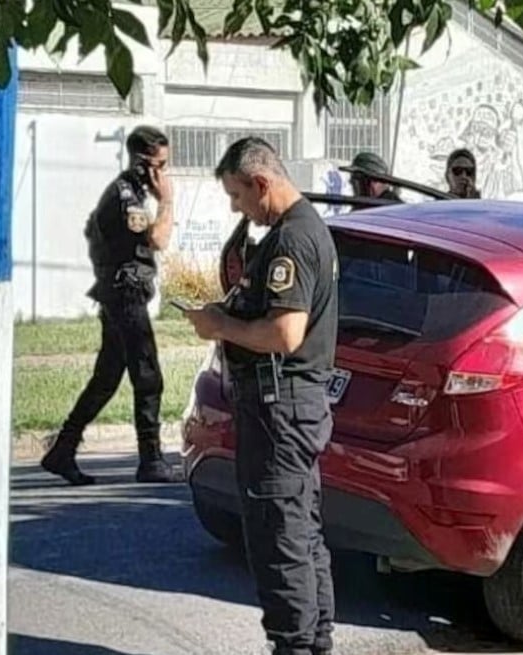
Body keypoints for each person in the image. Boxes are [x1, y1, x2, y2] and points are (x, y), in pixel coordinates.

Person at [183, 137, 337, 655]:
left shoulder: (292, 240)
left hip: (280, 409)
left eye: (237, 194)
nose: (236, 207)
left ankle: (295, 645)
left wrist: (219, 326)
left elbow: (284, 334)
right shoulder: (301, 231)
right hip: (291, 406)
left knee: (280, 536)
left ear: (262, 183)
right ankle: (313, 642)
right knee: (300, 531)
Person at [41, 125, 178, 486]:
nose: (163, 174)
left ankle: (63, 449)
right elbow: (159, 239)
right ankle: (151, 460)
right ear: (142, 163)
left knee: (106, 378)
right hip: (125, 295)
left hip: (120, 294)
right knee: (148, 376)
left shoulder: (131, 193)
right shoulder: (125, 196)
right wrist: (167, 201)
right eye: (160, 166)